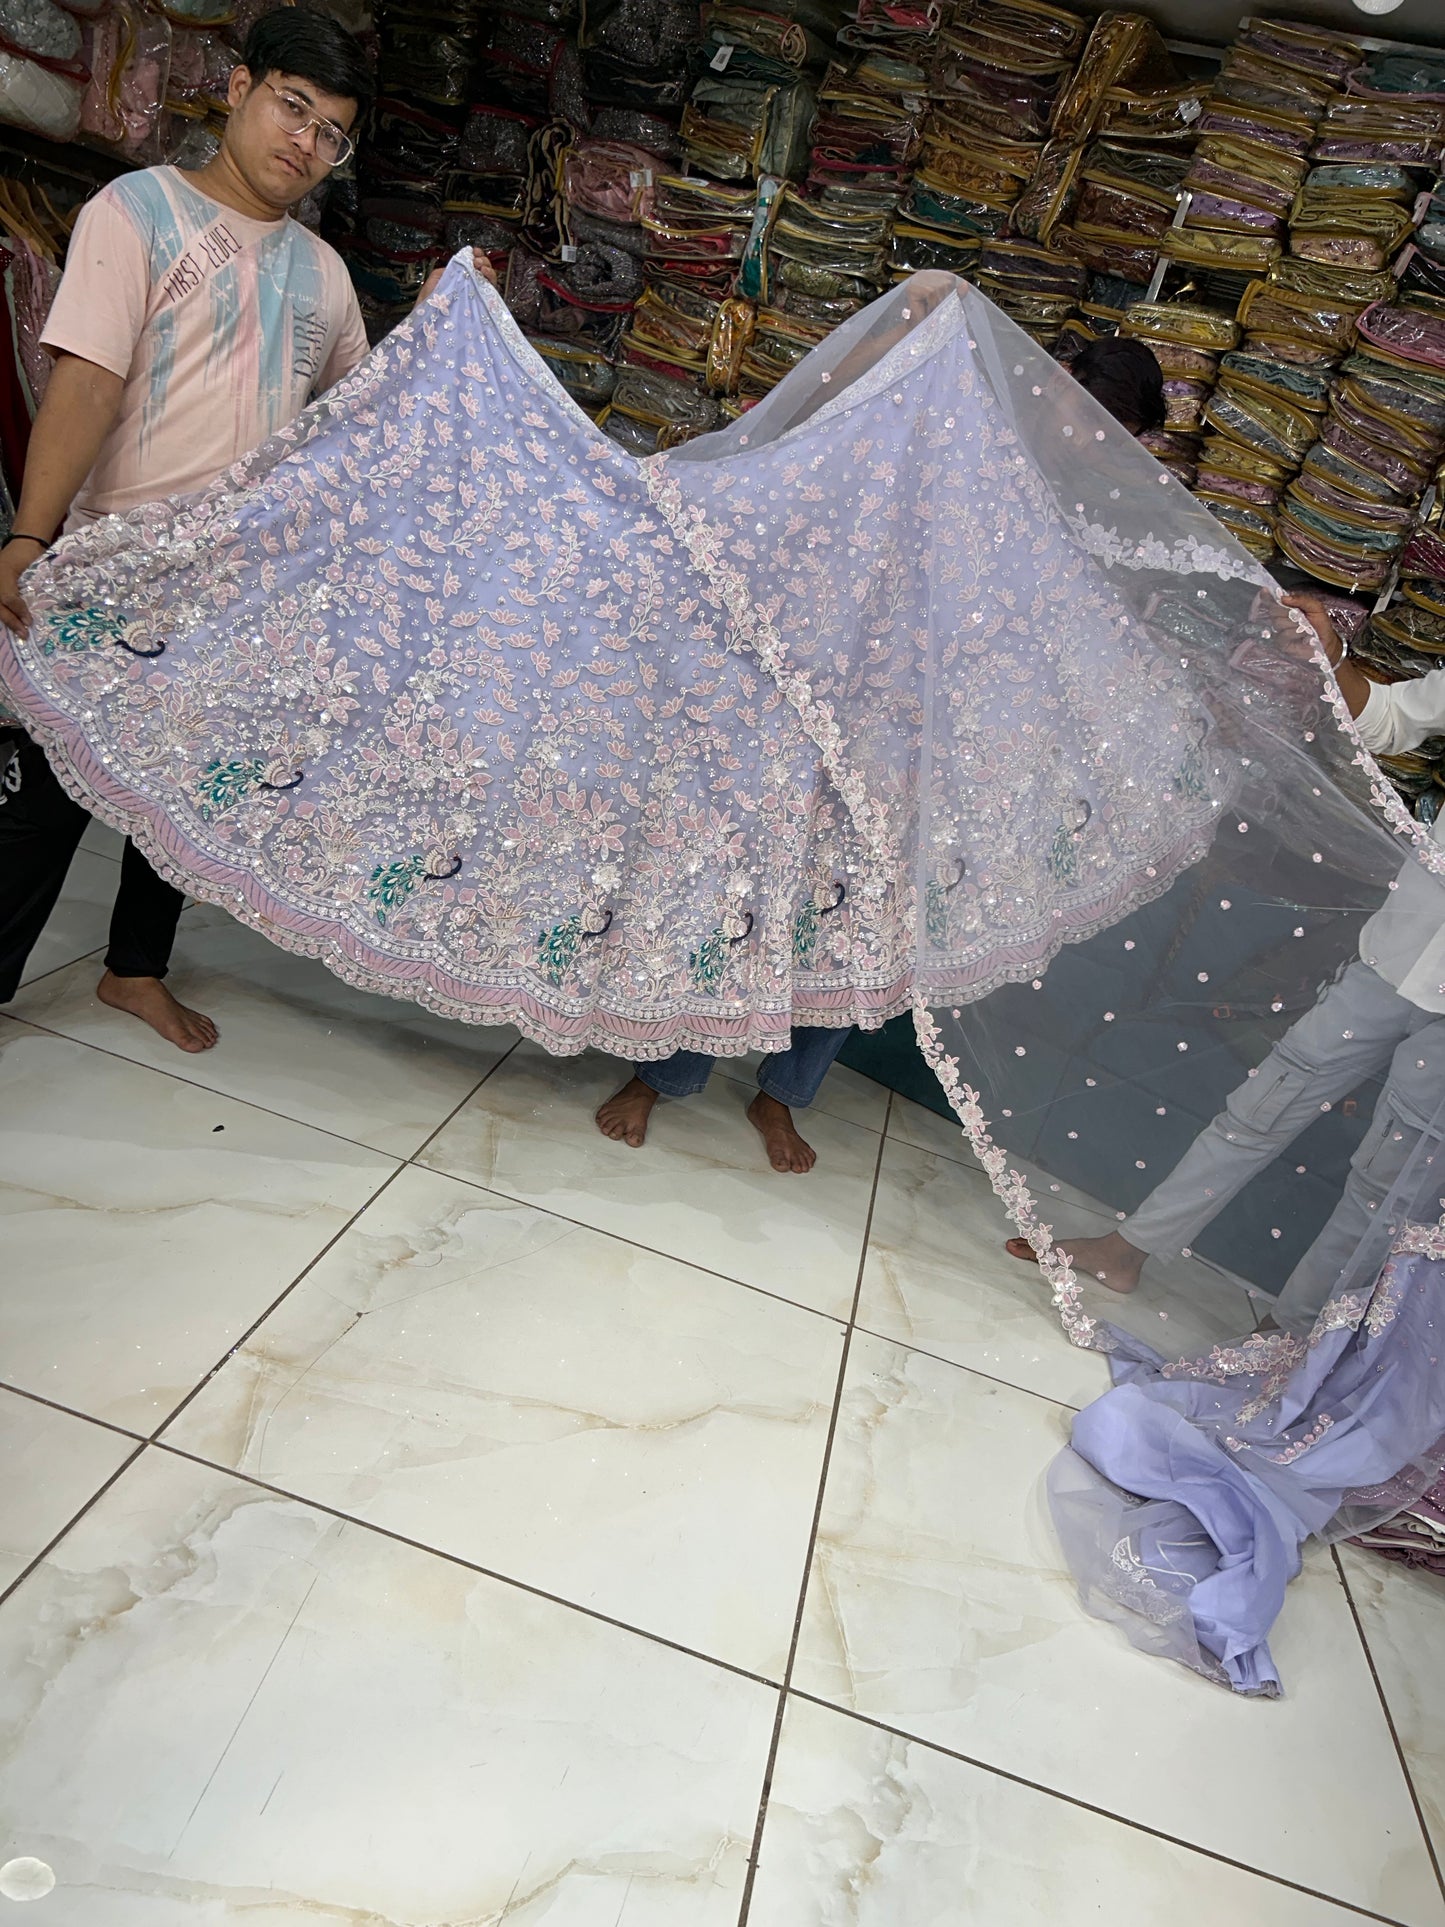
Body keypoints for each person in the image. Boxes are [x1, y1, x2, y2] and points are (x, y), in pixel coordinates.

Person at [0, 7, 493, 1050]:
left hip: (237, 591)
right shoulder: (137, 212)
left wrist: (455, 320)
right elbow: (84, 384)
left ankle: (133, 969)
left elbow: (369, 422)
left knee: (177, 803)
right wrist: (28, 538)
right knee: (42, 806)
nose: (303, 143)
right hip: (117, 566)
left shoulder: (320, 275)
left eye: (330, 133)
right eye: (292, 107)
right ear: (238, 90)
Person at [593, 326, 1171, 1172]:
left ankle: (783, 1093)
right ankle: (664, 1072)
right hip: (847, 687)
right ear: (1055, 384)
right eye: (1088, 413)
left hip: (939, 730)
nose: (1093, 437)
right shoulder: (956, 422)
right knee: (759, 881)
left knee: (869, 913)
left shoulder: (1088, 506)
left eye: (1116, 431)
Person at [1007, 590, 1445, 1332]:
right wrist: (1330, 658)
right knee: (1265, 1100)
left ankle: (1291, 1338)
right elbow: (1393, 719)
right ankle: (1127, 1248)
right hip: (1401, 939)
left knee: (1386, 1182)